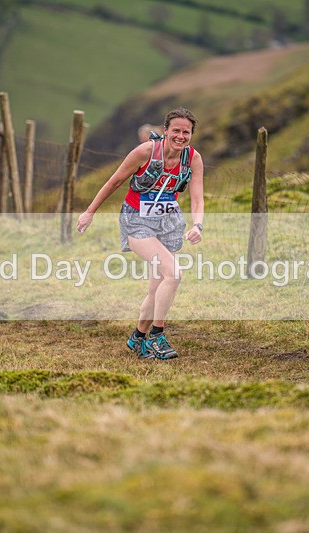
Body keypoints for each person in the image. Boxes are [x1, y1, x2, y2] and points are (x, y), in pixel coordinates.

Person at [77, 108, 204, 360]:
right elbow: (113, 182)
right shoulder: (144, 152)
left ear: (191, 135)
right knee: (174, 273)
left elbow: (197, 197)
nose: (181, 136)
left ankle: (137, 337)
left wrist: (197, 225)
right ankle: (158, 335)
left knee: (156, 289)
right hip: (136, 221)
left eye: (186, 132)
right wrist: (90, 212)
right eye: (176, 130)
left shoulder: (193, 158)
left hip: (168, 223)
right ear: (165, 130)